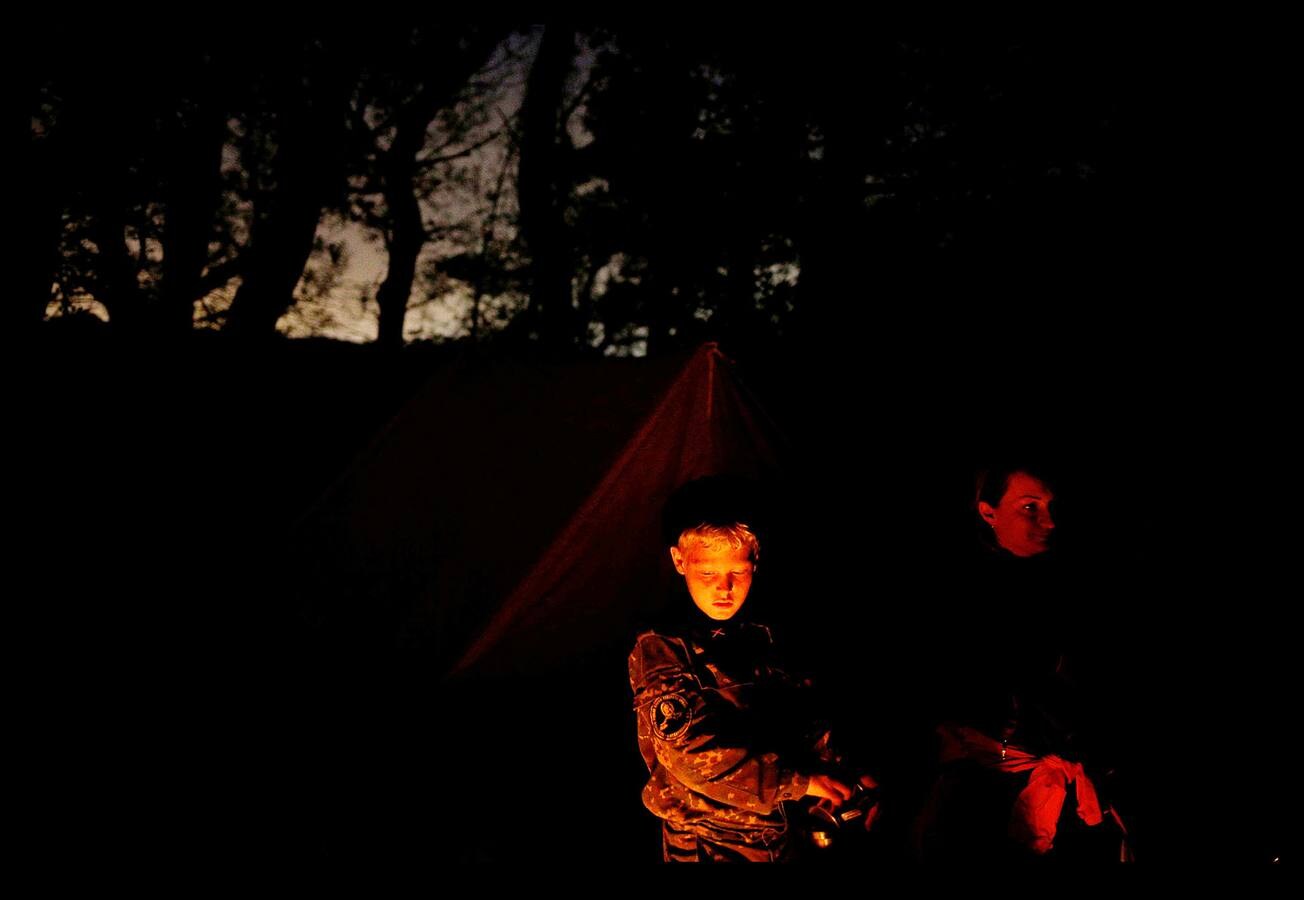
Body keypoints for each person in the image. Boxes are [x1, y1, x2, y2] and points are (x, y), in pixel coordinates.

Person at [628, 511, 877, 863]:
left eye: (738, 572)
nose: (723, 588)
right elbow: (689, 755)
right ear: (679, 561)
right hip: (710, 842)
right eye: (708, 573)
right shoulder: (662, 647)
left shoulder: (764, 634)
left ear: (755, 563)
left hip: (782, 832)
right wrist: (799, 782)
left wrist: (841, 772)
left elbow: (802, 717)